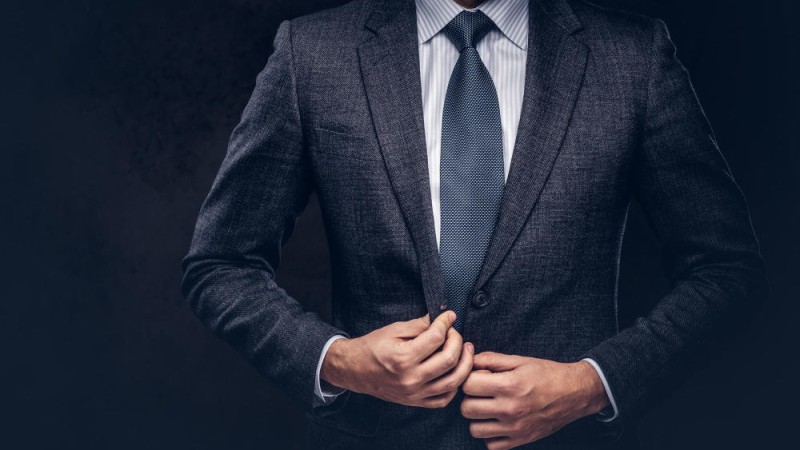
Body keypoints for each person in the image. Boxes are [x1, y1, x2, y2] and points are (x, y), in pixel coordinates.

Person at [180, 0, 767, 448]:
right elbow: (220, 264)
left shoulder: (631, 56)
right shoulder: (313, 53)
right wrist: (337, 359)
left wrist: (593, 384)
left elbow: (727, 269)